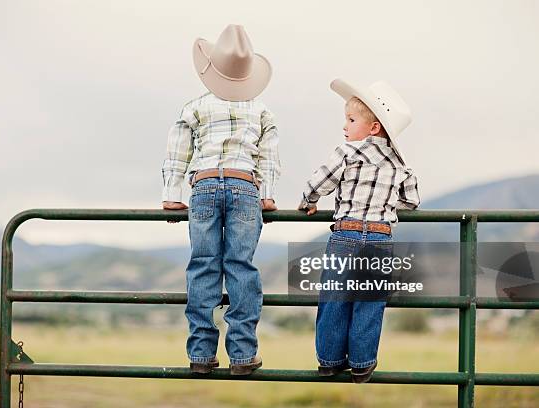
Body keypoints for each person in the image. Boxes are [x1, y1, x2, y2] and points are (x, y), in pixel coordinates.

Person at [161, 24, 280, 375]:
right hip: (245, 187)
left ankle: (201, 353)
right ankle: (243, 354)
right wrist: (268, 195)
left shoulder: (194, 108)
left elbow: (177, 153)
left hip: (205, 186)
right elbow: (269, 158)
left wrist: (171, 195)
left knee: (203, 265)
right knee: (241, 267)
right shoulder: (262, 112)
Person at [298, 78, 420, 383]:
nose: (344, 127)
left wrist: (308, 202)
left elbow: (318, 183)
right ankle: (363, 363)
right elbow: (411, 201)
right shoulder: (400, 164)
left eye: (351, 120)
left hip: (346, 234)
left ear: (374, 127)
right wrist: (386, 207)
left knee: (334, 298)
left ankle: (330, 360)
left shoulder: (347, 152)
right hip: (380, 236)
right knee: (369, 301)